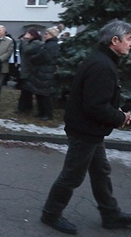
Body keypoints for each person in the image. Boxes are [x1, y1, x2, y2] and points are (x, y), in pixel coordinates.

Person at [41, 20, 131, 235]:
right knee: (72, 175)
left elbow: (96, 99)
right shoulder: (102, 65)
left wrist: (116, 110)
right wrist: (122, 117)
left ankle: (110, 214)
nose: (130, 44)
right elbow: (95, 107)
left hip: (91, 130)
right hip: (85, 131)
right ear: (114, 40)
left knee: (101, 172)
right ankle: (50, 214)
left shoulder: (103, 60)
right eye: (128, 39)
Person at [27, 27, 60, 121]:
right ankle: (41, 112)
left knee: (45, 95)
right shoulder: (49, 44)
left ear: (51, 35)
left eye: (46, 33)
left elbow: (43, 56)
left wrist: (33, 58)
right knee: (40, 93)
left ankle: (48, 114)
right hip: (42, 71)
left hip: (46, 72)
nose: (44, 35)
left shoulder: (52, 45)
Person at [16, 28, 42, 114]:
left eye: (28, 34)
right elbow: (22, 51)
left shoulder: (36, 43)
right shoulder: (30, 42)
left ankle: (23, 107)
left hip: (30, 70)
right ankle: (26, 106)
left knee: (26, 90)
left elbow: (27, 50)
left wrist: (25, 40)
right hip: (26, 69)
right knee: (26, 90)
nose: (26, 36)